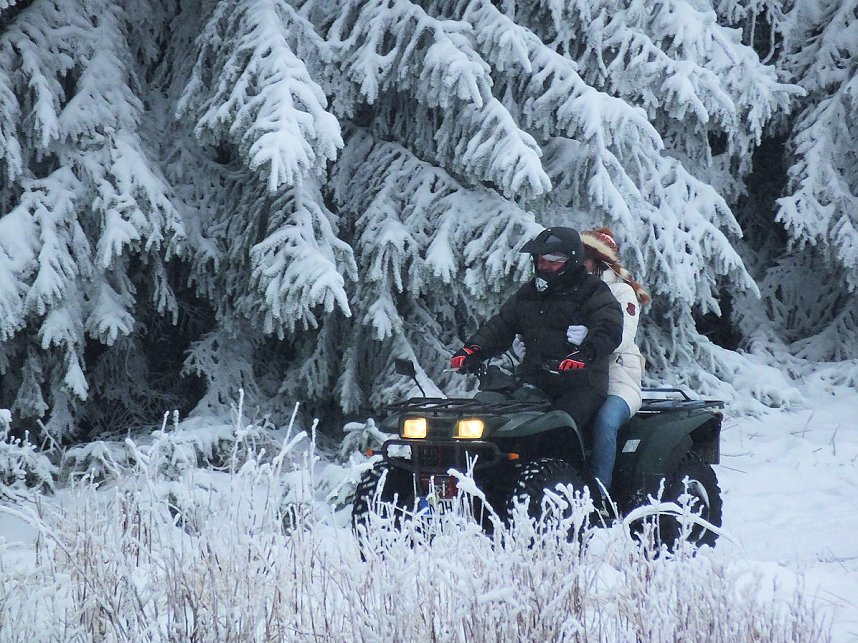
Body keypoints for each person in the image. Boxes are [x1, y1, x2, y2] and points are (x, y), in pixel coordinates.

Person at [450, 226, 623, 431]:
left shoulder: (592, 290)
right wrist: (474, 349)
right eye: (541, 261)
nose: (546, 267)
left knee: (557, 429)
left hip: (579, 385)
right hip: (533, 380)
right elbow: (502, 325)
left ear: (572, 261)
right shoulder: (530, 293)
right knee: (489, 411)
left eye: (553, 262)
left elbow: (609, 326)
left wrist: (585, 352)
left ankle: (564, 462)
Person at [580, 227, 650, 492]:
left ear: (599, 260)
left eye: (584, 257)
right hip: (578, 378)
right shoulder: (571, 290)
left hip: (618, 379)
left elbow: (622, 337)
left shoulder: (621, 293)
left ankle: (601, 494)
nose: (577, 263)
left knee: (606, 419)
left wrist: (587, 339)